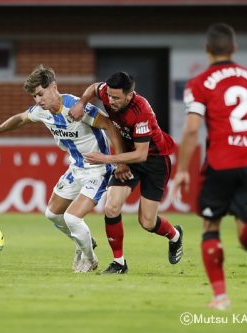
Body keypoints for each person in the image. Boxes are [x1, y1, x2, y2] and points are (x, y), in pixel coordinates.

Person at [173, 23, 247, 310]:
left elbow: (191, 129)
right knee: (246, 240)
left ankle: (220, 297)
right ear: (234, 48)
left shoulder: (198, 84)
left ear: (207, 49)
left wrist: (183, 169)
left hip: (222, 162)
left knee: (211, 225)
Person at [0, 64, 129, 274]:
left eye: (40, 94)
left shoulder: (76, 107)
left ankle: (89, 258)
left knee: (73, 218)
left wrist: (120, 161)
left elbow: (110, 126)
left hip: (98, 170)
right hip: (76, 168)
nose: (38, 100)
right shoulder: (42, 112)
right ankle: (84, 240)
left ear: (53, 87)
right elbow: (21, 119)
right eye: (34, 97)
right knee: (52, 214)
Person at [69, 72, 184, 274]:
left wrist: (107, 159)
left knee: (147, 222)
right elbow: (95, 87)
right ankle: (119, 263)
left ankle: (174, 235)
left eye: (116, 98)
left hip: (154, 161)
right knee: (111, 207)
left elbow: (141, 155)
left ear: (129, 95)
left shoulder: (142, 112)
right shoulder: (107, 92)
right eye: (109, 96)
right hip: (128, 157)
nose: (110, 101)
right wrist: (81, 103)